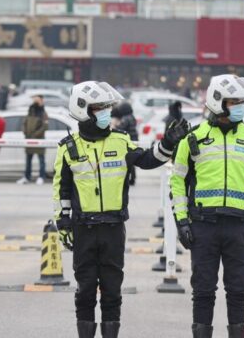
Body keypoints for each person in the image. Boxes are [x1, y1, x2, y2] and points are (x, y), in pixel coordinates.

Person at [53, 81, 188, 338]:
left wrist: (169, 142)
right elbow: (61, 190)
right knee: (85, 290)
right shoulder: (68, 147)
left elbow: (149, 160)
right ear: (82, 110)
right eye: (99, 108)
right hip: (84, 229)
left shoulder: (122, 140)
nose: (106, 113)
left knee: (113, 292)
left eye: (107, 107)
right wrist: (63, 222)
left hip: (114, 229)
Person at [170, 74, 244, 338]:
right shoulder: (193, 139)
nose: (240, 106)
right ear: (217, 102)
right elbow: (178, 182)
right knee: (203, 292)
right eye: (234, 101)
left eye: (241, 101)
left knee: (239, 292)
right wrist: (182, 222)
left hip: (240, 228)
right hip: (203, 227)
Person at [18, 95, 48, 185]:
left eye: (37, 99)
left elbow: (45, 126)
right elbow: (24, 123)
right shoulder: (30, 111)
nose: (35, 101)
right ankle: (27, 177)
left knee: (41, 159)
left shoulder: (43, 112)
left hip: (39, 140)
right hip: (29, 139)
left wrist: (35, 135)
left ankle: (41, 177)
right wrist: (25, 132)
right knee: (28, 159)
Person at [114, 101, 139, 186]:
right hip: (135, 139)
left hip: (129, 141)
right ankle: (133, 178)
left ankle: (130, 178)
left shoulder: (126, 118)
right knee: (133, 160)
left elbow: (121, 127)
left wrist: (114, 126)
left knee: (128, 160)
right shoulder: (132, 117)